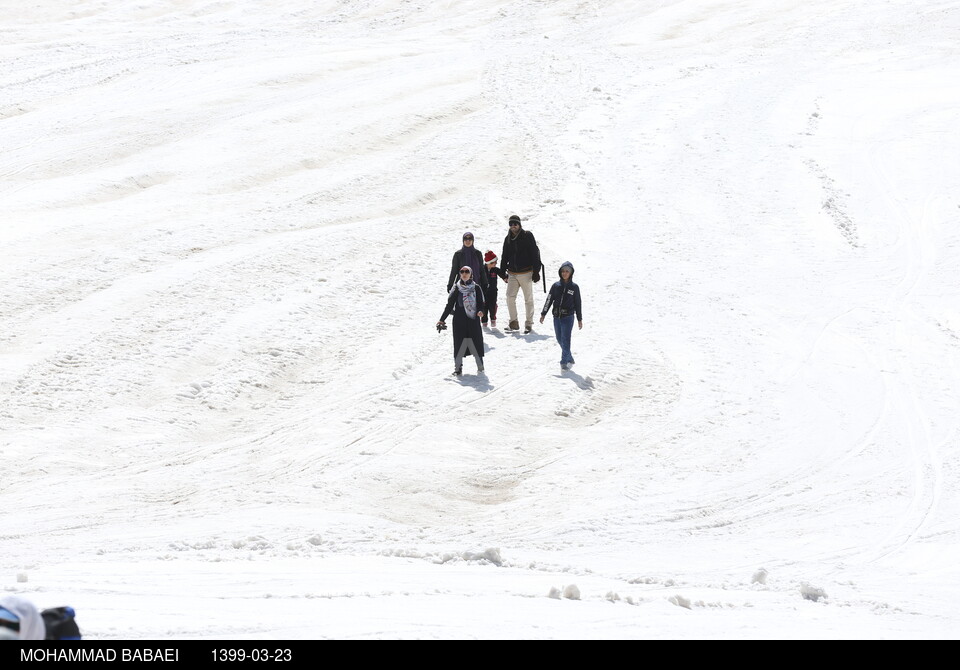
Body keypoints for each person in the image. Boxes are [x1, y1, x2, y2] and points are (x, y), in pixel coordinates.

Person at [437, 266, 486, 375]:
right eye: (462, 272)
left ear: (471, 274)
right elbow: (449, 306)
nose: (464, 273)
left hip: (473, 319)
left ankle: (480, 366)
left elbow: (480, 304)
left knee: (476, 342)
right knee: (459, 343)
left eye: (467, 271)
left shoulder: (476, 288)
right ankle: (458, 368)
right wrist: (442, 320)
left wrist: (480, 311)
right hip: (459, 319)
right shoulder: (457, 288)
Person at [500, 214, 543, 334]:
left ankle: (528, 324)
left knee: (528, 299)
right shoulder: (507, 238)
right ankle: (514, 323)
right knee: (509, 297)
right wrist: (503, 272)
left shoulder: (527, 236)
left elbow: (535, 253)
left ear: (519, 224)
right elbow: (504, 256)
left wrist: (536, 271)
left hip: (526, 272)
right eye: (511, 224)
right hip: (512, 273)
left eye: (515, 224)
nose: (513, 226)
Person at [539, 261, 583, 370]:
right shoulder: (556, 286)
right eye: (563, 271)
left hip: (568, 318)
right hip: (556, 318)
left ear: (571, 273)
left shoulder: (574, 287)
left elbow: (578, 303)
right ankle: (569, 357)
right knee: (559, 338)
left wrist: (579, 319)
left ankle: (563, 362)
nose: (564, 273)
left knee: (566, 339)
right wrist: (543, 313)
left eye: (567, 271)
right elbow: (549, 299)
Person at [481, 250, 508, 328]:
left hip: (493, 292)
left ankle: (493, 319)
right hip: (483, 292)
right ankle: (484, 322)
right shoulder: (482, 269)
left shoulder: (495, 269)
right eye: (494, 262)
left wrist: (506, 278)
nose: (495, 264)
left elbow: (503, 275)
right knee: (484, 307)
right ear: (489, 262)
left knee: (492, 306)